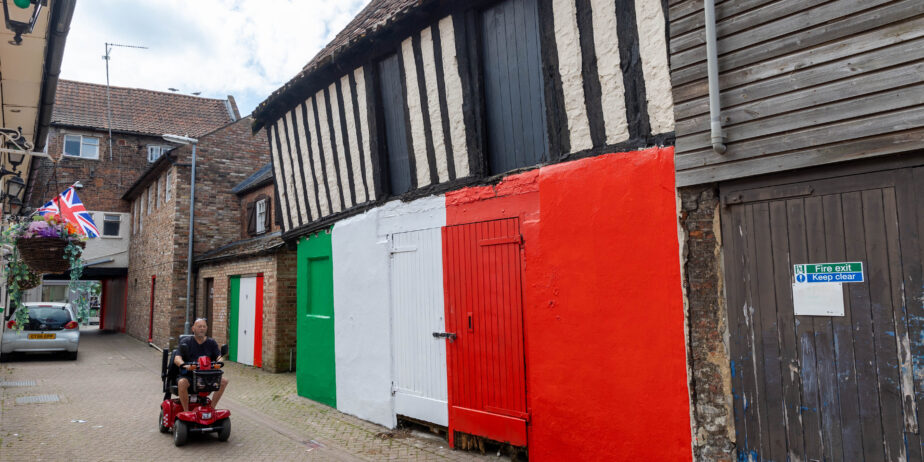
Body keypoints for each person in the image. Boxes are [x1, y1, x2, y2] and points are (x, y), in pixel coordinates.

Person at [174, 318, 229, 412]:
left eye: (204, 326)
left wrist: (220, 361)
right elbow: (177, 358)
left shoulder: (211, 342)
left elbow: (219, 356)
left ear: (206, 328)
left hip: (207, 376)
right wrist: (184, 365)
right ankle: (186, 412)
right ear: (193, 328)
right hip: (190, 375)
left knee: (224, 381)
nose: (202, 329)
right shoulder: (186, 342)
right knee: (182, 382)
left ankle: (211, 408)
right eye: (199, 326)